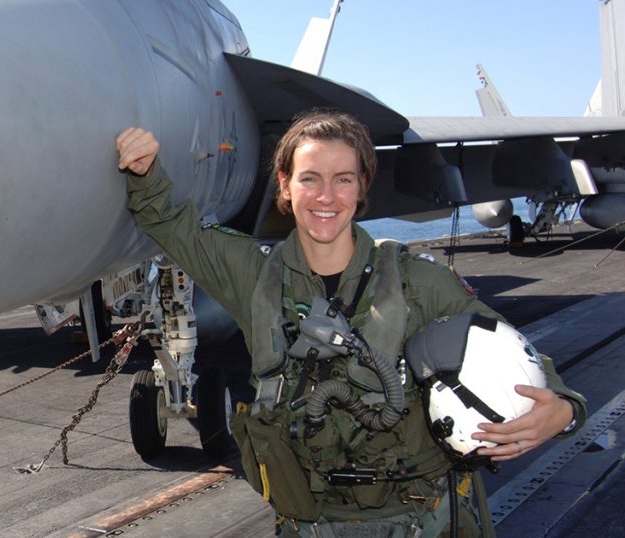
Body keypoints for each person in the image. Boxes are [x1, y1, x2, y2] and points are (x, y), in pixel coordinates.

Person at [115, 110, 585, 537]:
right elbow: (174, 224)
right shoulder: (253, 275)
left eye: (343, 179)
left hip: (424, 522)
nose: (325, 196)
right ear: (284, 185)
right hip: (308, 525)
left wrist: (563, 408)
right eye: (310, 178)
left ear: (362, 187)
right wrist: (144, 171)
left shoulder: (417, 280)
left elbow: (508, 347)